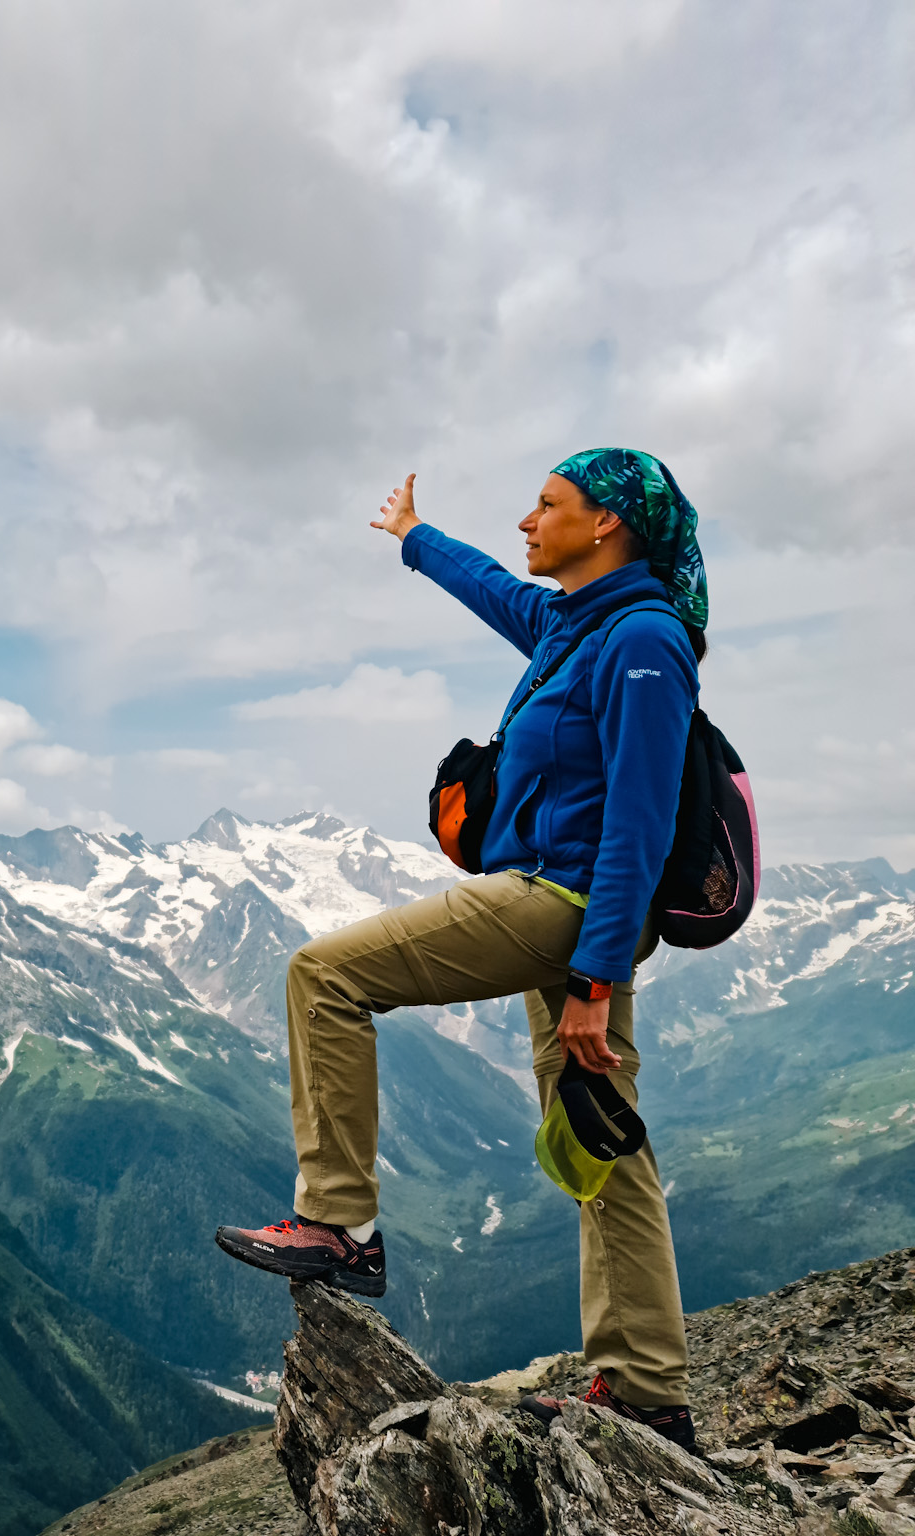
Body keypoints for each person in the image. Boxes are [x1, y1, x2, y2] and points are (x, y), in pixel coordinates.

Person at [214, 449, 708, 1453]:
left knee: (323, 975)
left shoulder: (642, 642)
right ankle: (648, 1387)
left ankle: (338, 1228)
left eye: (546, 506)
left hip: (567, 910)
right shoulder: (571, 624)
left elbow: (639, 828)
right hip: (562, 911)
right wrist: (411, 538)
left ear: (604, 526)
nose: (526, 521)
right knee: (594, 1136)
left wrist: (592, 978)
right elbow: (491, 588)